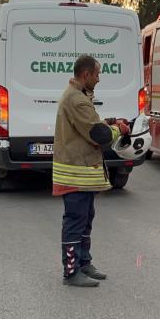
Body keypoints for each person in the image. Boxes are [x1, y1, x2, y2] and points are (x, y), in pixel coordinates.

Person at [53, 55, 129, 287]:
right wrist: (118, 129)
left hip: (83, 173)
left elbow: (91, 123)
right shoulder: (76, 100)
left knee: (85, 220)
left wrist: (111, 121)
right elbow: (99, 135)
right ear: (85, 74)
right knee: (75, 222)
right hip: (75, 173)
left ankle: (84, 263)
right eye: (97, 74)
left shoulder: (80, 96)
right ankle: (71, 271)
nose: (99, 79)